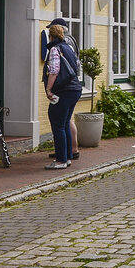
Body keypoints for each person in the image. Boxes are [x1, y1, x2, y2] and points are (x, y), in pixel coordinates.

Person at [43, 23, 82, 170]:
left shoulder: (55, 49)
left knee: (57, 124)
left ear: (51, 36)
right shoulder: (69, 48)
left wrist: (49, 89)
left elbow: (54, 70)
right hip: (74, 89)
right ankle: (67, 158)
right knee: (64, 123)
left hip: (63, 90)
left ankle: (60, 160)